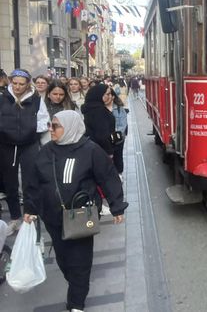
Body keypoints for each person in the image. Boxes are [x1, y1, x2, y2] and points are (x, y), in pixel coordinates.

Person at [23, 110, 127, 312]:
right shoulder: (45, 152)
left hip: (81, 217)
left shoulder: (90, 150)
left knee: (80, 261)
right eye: (50, 125)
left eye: (55, 126)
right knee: (63, 260)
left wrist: (117, 207)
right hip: (53, 217)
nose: (50, 130)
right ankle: (77, 285)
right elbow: (33, 183)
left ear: (70, 127)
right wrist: (30, 208)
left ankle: (76, 303)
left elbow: (108, 177)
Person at [0, 69, 49, 235]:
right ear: (10, 82)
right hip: (7, 145)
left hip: (29, 144)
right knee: (10, 183)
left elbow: (44, 120)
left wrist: (30, 131)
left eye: (21, 84)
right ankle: (15, 218)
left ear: (27, 84)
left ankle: (30, 215)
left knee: (31, 181)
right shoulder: (2, 98)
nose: (17, 87)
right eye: (14, 83)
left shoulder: (36, 100)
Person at [81, 84, 116, 158]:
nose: (110, 96)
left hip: (92, 147)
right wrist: (109, 151)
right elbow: (102, 134)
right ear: (99, 95)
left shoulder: (90, 108)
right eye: (107, 94)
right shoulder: (99, 111)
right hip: (101, 150)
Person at [110, 88, 128, 176]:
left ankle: (119, 174)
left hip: (117, 138)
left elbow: (122, 125)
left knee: (117, 156)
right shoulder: (99, 109)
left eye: (109, 94)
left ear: (113, 96)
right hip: (104, 139)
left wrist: (113, 137)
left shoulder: (118, 108)